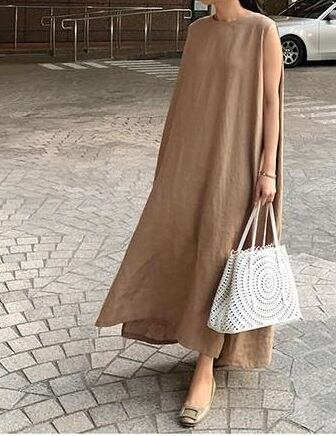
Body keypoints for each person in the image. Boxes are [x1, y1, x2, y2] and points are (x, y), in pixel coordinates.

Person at [95, 0, 284, 427]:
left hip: (238, 160)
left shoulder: (262, 30)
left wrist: (268, 170)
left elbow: (271, 103)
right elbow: (186, 101)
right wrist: (170, 164)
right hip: (192, 157)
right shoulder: (198, 32)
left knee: (221, 253)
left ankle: (205, 365)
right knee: (183, 243)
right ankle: (197, 336)